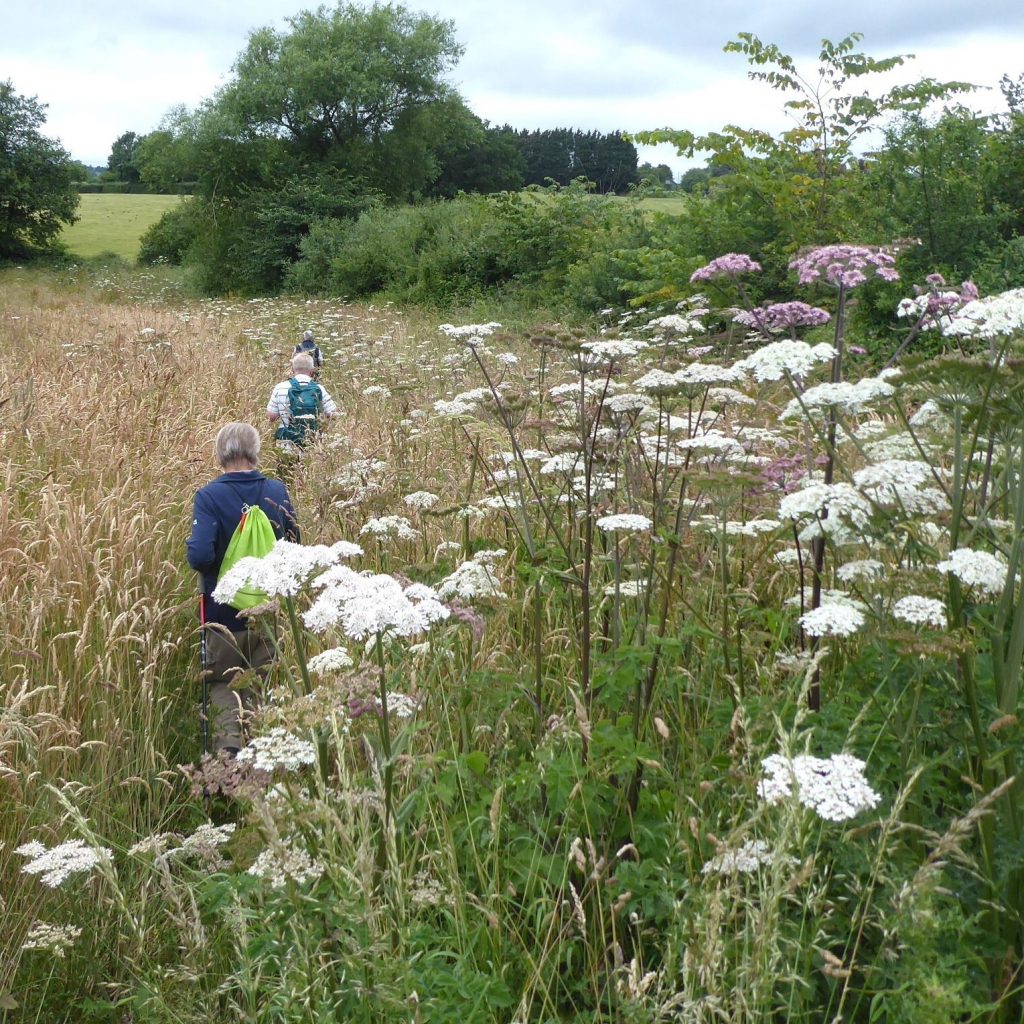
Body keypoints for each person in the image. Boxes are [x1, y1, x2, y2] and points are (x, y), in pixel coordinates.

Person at [186, 422, 299, 755]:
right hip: (267, 612)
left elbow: (201, 555)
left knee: (223, 682)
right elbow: (294, 545)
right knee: (260, 683)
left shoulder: (208, 496)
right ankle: (262, 755)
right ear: (255, 452)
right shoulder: (277, 492)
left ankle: (228, 760)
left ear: (220, 454)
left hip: (222, 616)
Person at [267, 351, 338, 448]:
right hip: (312, 441)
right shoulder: (319, 389)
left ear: (292, 368)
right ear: (312, 370)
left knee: (284, 462)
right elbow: (333, 415)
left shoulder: (280, 388)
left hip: (286, 442)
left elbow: (272, 417)